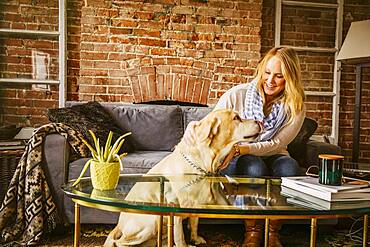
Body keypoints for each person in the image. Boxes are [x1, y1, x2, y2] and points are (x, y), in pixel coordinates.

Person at [184, 47, 306, 247]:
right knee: (254, 168)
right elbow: (210, 122)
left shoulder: (296, 105)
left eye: (279, 76)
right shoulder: (237, 95)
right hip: (238, 156)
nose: (270, 81)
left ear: (290, 78)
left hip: (270, 152)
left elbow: (277, 144)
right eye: (267, 73)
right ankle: (253, 231)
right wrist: (192, 126)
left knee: (290, 169)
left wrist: (242, 149)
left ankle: (273, 231)